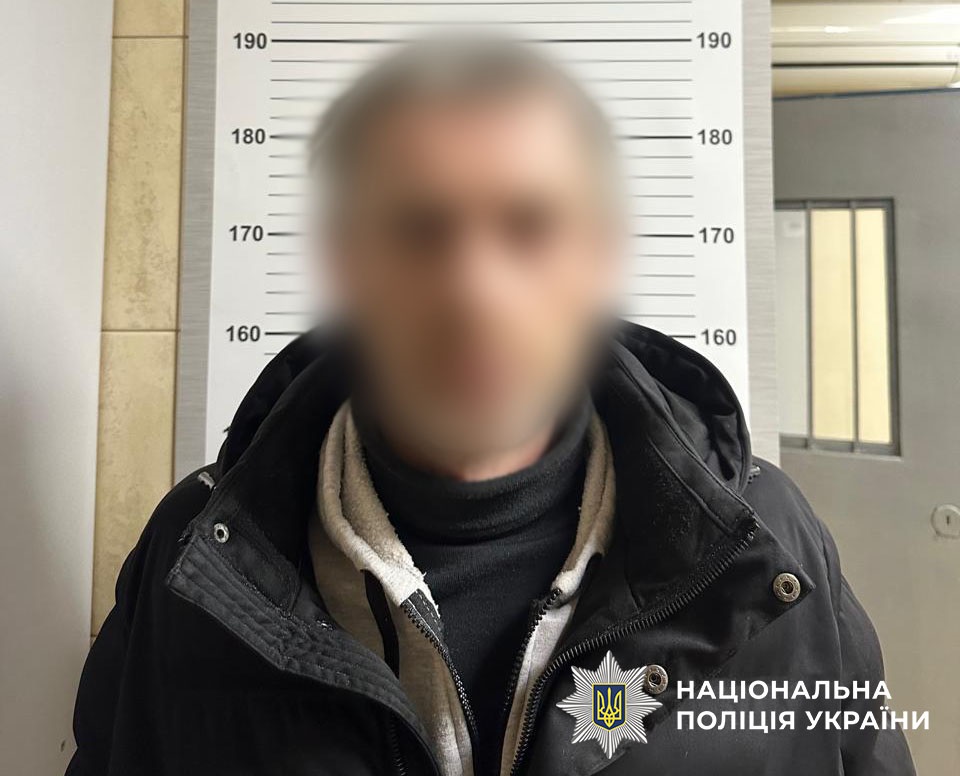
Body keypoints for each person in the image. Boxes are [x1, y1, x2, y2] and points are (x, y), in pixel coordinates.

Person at [67, 37, 915, 776]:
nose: (474, 290)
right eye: (419, 228)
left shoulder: (767, 541)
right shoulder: (194, 558)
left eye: (530, 225)